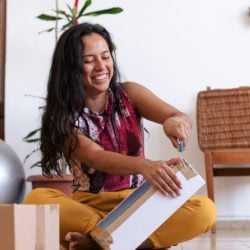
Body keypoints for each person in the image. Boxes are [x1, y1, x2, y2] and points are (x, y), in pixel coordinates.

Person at [24, 22, 216, 250]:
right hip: (90, 208)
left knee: (205, 210)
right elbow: (97, 157)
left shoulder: (130, 93)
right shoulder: (62, 117)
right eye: (88, 60)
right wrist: (145, 166)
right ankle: (125, 241)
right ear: (70, 67)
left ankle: (99, 244)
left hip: (139, 206)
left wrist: (173, 122)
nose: (101, 66)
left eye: (105, 56)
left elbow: (177, 115)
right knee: (35, 201)